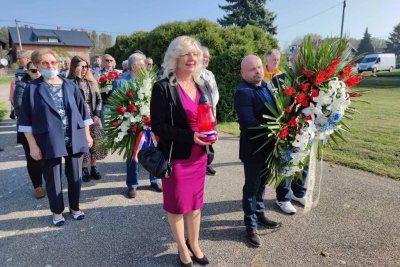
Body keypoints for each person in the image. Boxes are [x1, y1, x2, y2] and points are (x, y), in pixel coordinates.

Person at [151, 36, 213, 267]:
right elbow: (158, 126)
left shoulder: (201, 84)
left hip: (199, 156)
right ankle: (181, 248)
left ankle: (194, 243)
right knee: (177, 206)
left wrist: (210, 131)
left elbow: (207, 114)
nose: (192, 58)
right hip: (176, 158)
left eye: (195, 54)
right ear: (175, 57)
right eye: (186, 53)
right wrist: (190, 136)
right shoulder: (163, 87)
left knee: (196, 204)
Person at [18, 48, 93, 227]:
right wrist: (33, 146)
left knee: (75, 176)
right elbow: (25, 121)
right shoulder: (32, 89)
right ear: (37, 65)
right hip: (48, 139)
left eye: (53, 62)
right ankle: (57, 211)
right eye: (45, 63)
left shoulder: (70, 85)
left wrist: (87, 135)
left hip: (74, 136)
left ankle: (75, 207)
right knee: (53, 178)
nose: (50, 66)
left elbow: (83, 113)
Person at [234, 55, 281, 248]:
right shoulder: (243, 92)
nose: (257, 71)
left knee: (263, 183)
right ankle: (250, 226)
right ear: (243, 73)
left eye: (259, 67)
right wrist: (275, 131)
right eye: (252, 69)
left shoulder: (269, 85)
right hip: (254, 149)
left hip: (271, 148)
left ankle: (259, 214)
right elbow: (248, 123)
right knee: (252, 187)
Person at [112, 52, 162, 198]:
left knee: (153, 150)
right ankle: (132, 185)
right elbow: (115, 105)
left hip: (149, 124)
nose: (146, 68)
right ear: (133, 66)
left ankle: (155, 179)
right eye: (142, 65)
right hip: (130, 123)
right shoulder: (121, 81)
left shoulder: (150, 80)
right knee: (132, 155)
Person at [267, 48, 307, 215]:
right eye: (298, 60)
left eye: (304, 60)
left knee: (304, 161)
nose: (302, 63)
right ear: (291, 61)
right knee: (287, 162)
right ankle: (283, 198)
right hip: (287, 129)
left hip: (306, 128)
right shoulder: (279, 80)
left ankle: (299, 193)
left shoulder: (311, 80)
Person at [68, 56, 107, 183]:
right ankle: (84, 168)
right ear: (74, 67)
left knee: (95, 142)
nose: (84, 69)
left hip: (92, 115)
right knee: (84, 142)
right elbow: (74, 97)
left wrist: (97, 114)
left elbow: (99, 99)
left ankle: (93, 167)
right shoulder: (69, 82)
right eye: (81, 66)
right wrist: (78, 78)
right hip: (78, 116)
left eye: (86, 66)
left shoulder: (91, 81)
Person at [13, 61, 44, 198]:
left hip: (45, 127)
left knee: (46, 157)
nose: (37, 73)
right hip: (28, 128)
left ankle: (49, 180)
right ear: (27, 71)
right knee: (33, 159)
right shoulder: (21, 85)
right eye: (33, 70)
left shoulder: (47, 83)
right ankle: (37, 186)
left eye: (39, 70)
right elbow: (19, 107)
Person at [200, 46, 219, 176]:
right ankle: (202, 164)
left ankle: (207, 164)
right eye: (204, 56)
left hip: (211, 112)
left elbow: (215, 92)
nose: (206, 59)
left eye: (208, 57)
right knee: (202, 140)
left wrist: (212, 107)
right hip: (201, 114)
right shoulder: (194, 74)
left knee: (210, 139)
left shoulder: (210, 74)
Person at [9, 50, 31, 120]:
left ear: (27, 58)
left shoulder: (33, 69)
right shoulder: (18, 71)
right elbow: (16, 84)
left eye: (20, 58)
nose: (18, 60)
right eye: (18, 58)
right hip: (20, 96)